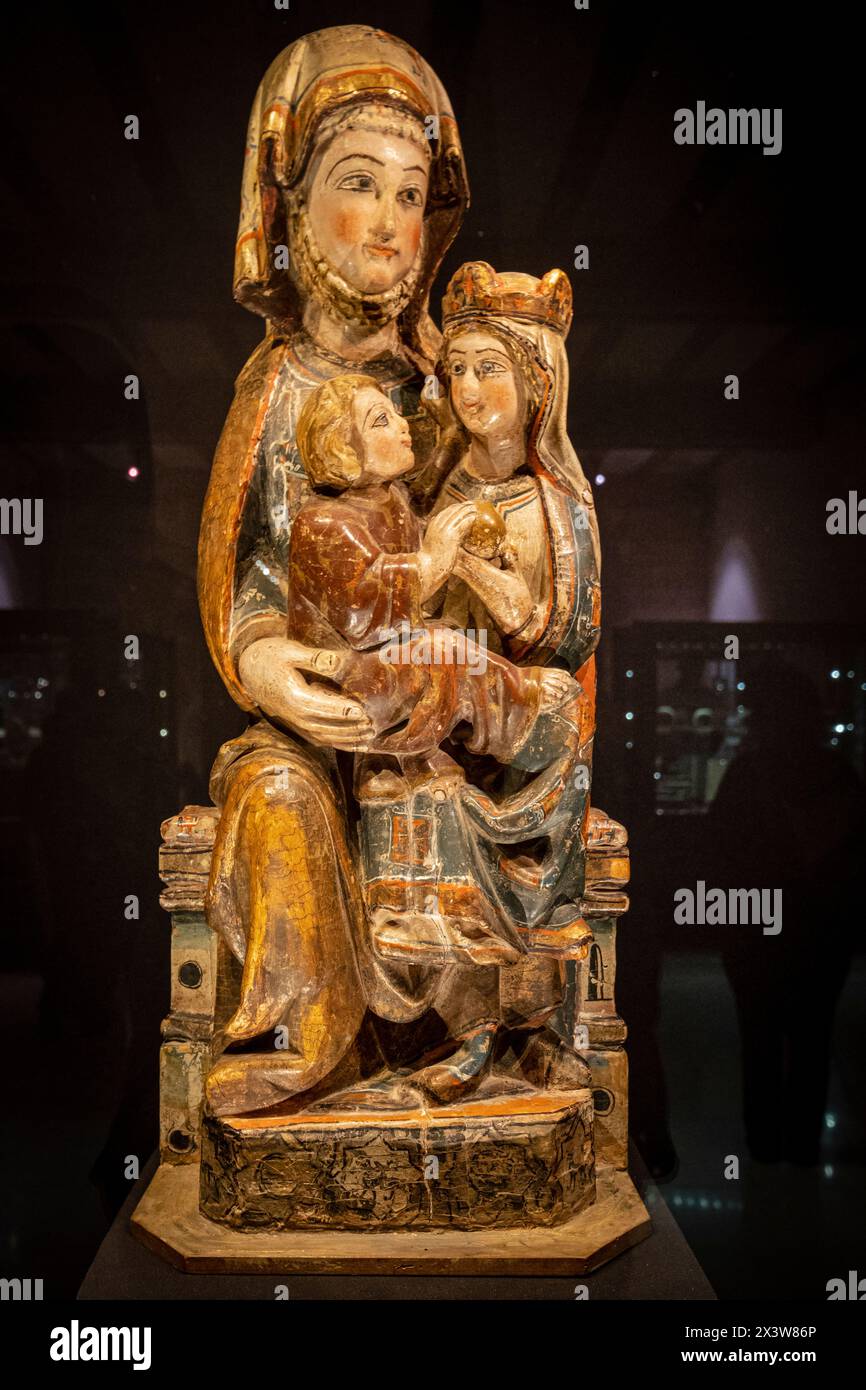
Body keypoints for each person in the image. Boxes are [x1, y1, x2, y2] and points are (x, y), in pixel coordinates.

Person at [197, 26, 472, 1118]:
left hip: (437, 710)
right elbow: (243, 581)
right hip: (316, 730)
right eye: (360, 185)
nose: (392, 223)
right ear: (291, 211)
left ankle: (470, 1052)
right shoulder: (269, 394)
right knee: (271, 795)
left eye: (412, 196)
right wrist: (264, 662)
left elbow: (511, 537)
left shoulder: (454, 385)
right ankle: (312, 1053)